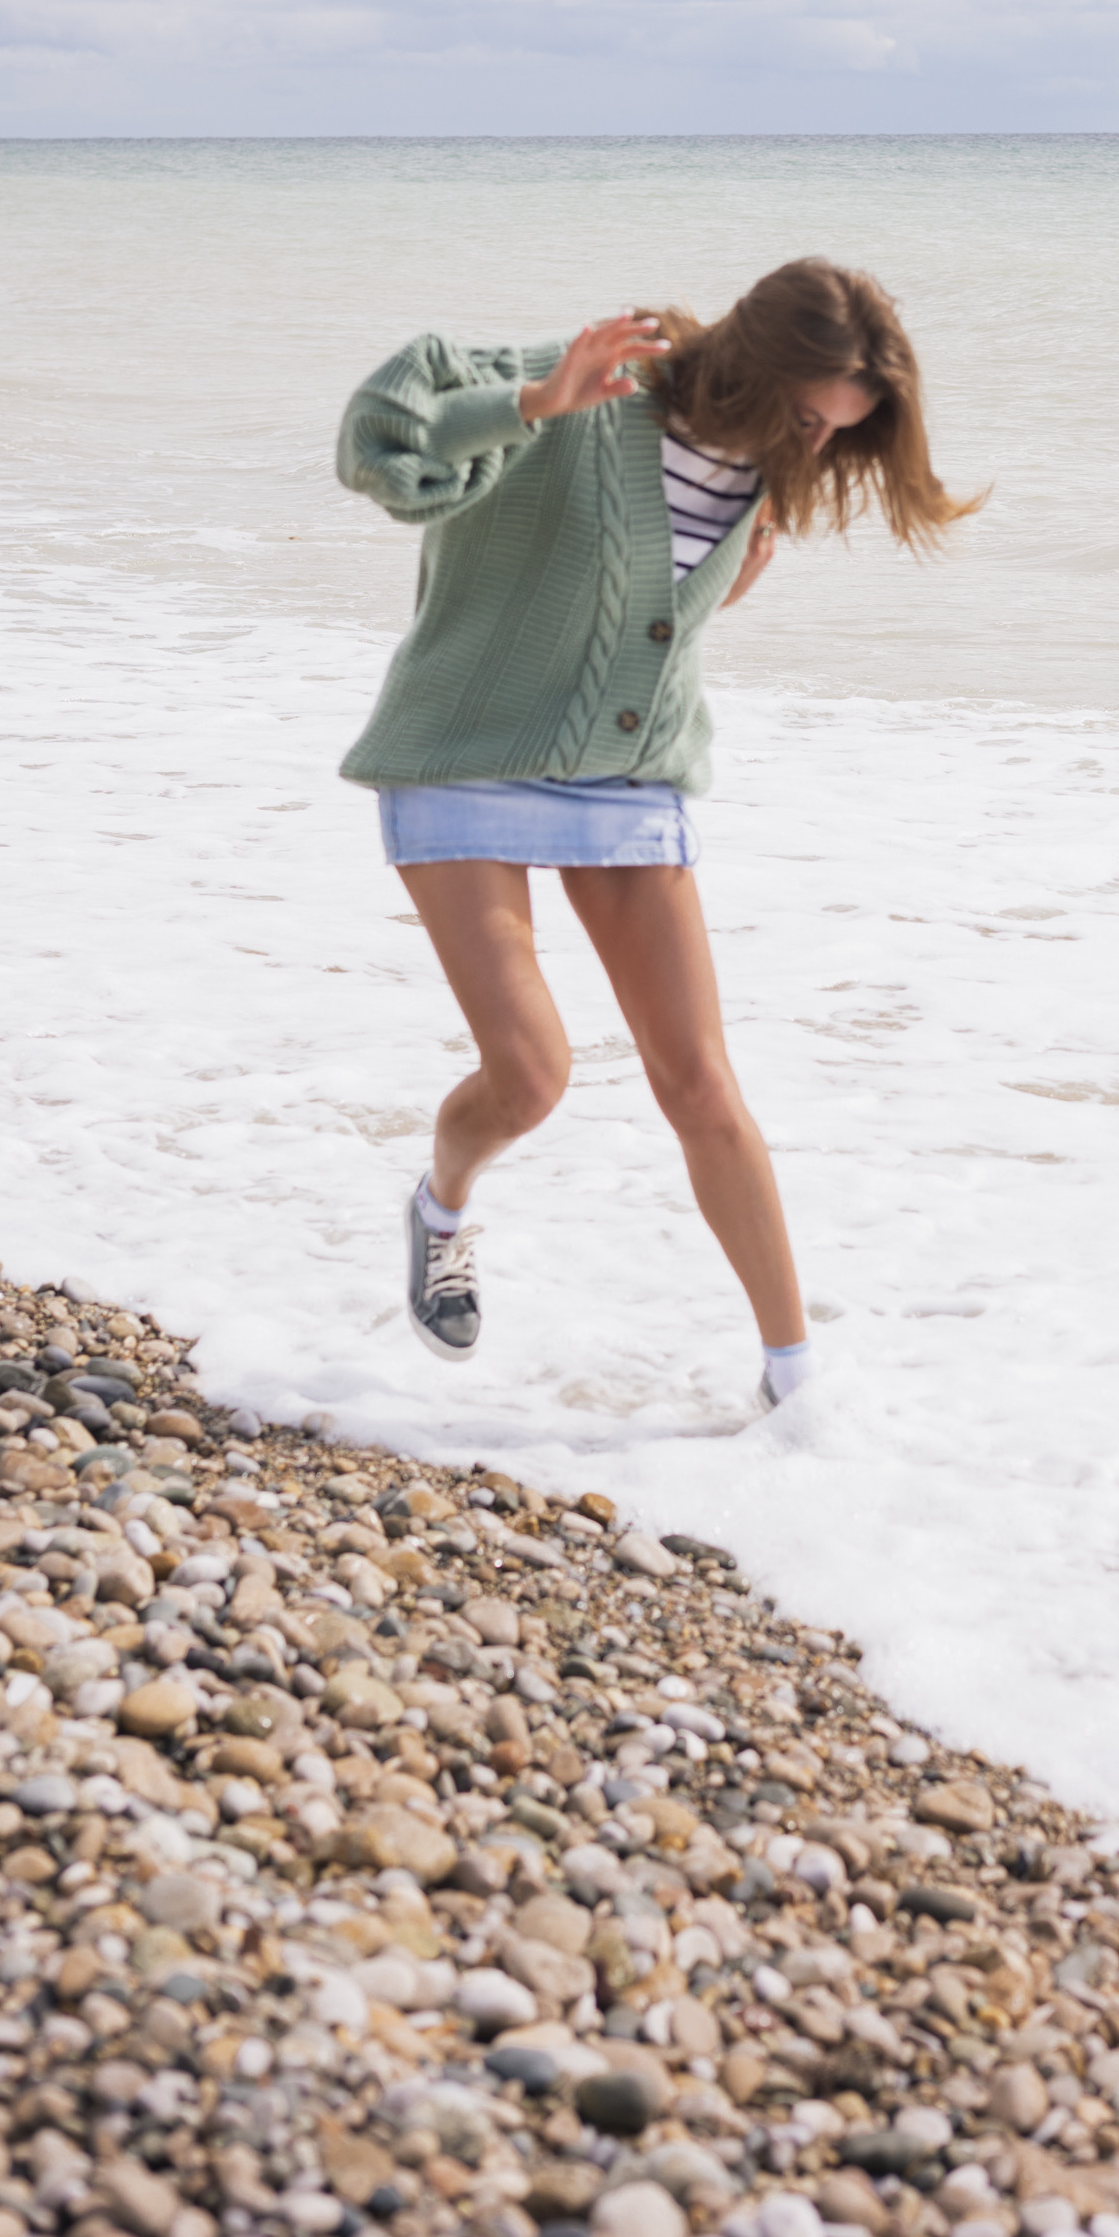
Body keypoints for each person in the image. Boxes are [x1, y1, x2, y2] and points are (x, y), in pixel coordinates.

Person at [335, 257, 977, 1409]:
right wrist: (532, 406)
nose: (817, 446)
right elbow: (381, 445)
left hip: (628, 779)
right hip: (464, 750)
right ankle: (442, 1204)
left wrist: (704, 598)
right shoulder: (588, 376)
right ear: (753, 358)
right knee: (530, 1076)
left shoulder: (770, 470)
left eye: (839, 431)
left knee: (701, 1087)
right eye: (806, 414)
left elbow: (631, 598)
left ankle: (794, 1384)